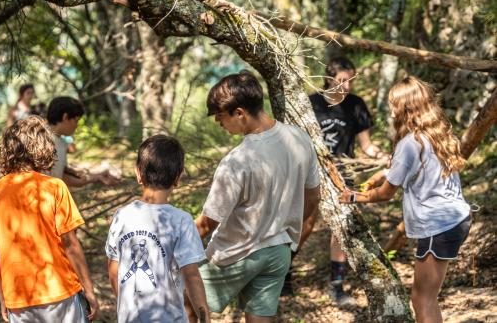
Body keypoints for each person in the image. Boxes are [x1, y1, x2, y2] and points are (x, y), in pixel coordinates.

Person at [192, 71, 321, 323]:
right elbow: (314, 197)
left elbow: (208, 223)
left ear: (239, 113)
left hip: (238, 252)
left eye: (221, 118)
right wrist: (288, 226)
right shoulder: (300, 138)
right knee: (260, 317)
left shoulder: (237, 161)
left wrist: (175, 248)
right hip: (279, 251)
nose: (220, 124)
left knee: (187, 299)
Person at [340, 76, 471, 323]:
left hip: (439, 226)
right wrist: (377, 177)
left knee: (422, 299)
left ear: (406, 108)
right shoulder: (436, 135)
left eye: (393, 104)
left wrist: (355, 195)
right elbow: (408, 170)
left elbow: (387, 193)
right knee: (428, 297)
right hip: (455, 219)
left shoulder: (410, 144)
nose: (390, 111)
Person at [0, 116, 100, 323]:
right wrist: (89, 290)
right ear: (43, 147)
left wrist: (2, 296)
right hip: (60, 293)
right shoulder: (55, 187)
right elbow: (71, 245)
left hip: (19, 300)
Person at [292, 56, 391, 305]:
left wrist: (384, 156)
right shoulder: (310, 103)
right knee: (304, 224)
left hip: (343, 176)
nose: (347, 86)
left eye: (352, 81)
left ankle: (337, 285)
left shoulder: (356, 104)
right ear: (329, 79)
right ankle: (282, 271)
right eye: (342, 81)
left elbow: (366, 145)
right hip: (310, 174)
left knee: (341, 228)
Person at [105, 135, 210, 323]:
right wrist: (205, 318)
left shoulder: (121, 216)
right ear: (178, 177)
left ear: (138, 173)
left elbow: (114, 269)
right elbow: (192, 276)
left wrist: (125, 306)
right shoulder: (182, 221)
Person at [46, 96, 119, 186]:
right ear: (65, 117)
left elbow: (63, 177)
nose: (76, 126)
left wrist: (98, 176)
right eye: (76, 121)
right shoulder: (41, 140)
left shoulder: (61, 142)